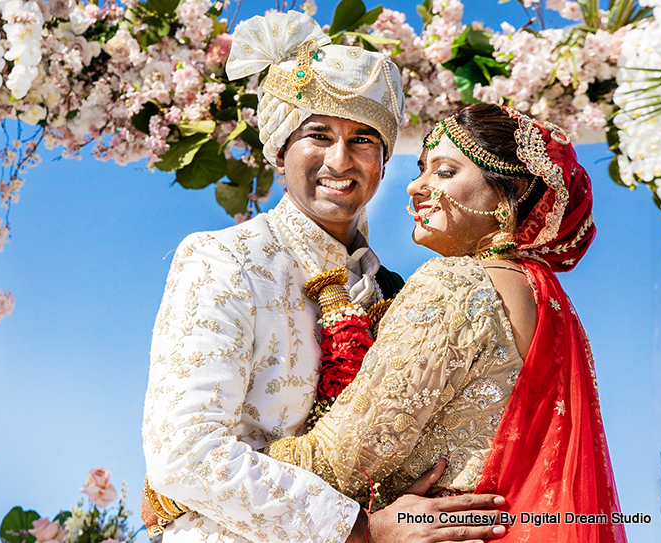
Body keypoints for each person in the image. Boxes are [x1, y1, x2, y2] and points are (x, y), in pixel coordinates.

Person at [141, 11, 505, 543]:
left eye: (363, 139)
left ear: (383, 162)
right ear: (280, 150)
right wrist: (363, 532)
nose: (341, 159)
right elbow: (186, 453)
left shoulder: (395, 292)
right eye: (318, 134)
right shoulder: (226, 257)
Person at [264, 103, 627, 542]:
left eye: (445, 172)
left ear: (511, 190)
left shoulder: (456, 284)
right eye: (421, 169)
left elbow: (341, 463)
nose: (416, 187)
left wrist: (189, 487)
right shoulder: (550, 303)